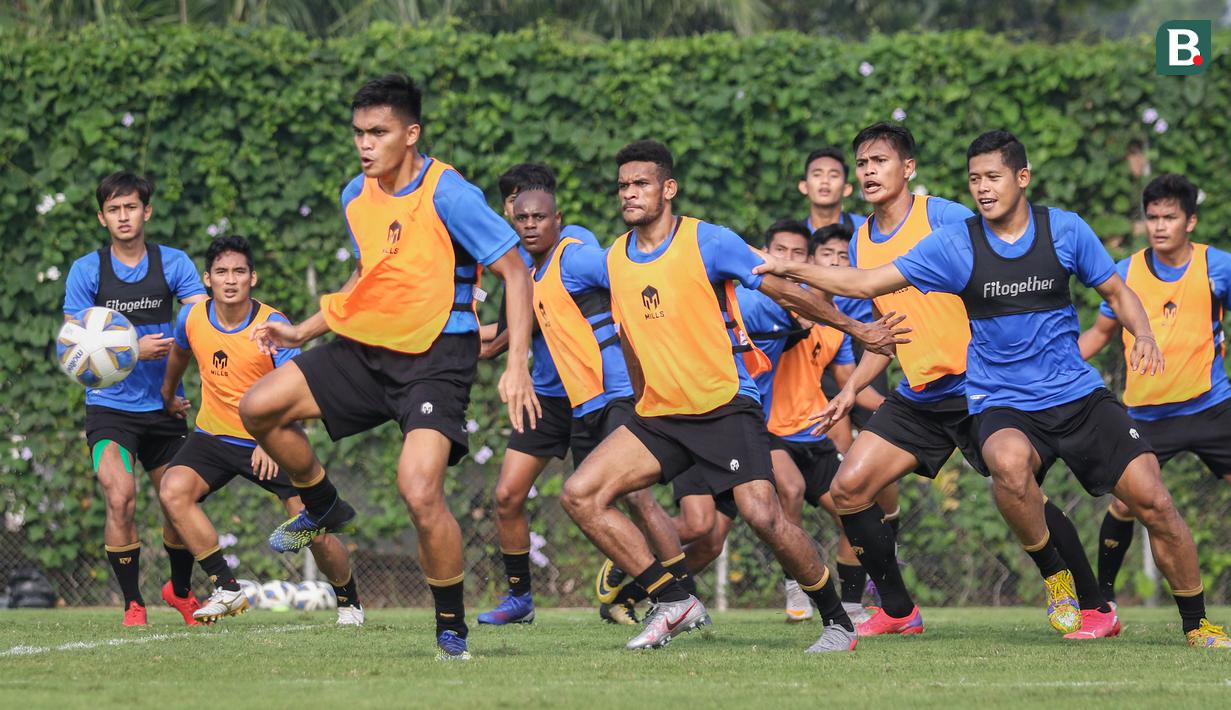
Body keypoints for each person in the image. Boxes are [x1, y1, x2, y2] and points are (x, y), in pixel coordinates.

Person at [758, 130, 1230, 648]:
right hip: (961, 395)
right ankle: (951, 600)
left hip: (1028, 387)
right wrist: (796, 280)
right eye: (975, 179)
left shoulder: (1003, 226)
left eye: (992, 177)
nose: (982, 188)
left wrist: (1141, 332)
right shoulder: (909, 242)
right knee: (929, 477)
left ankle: (1151, 614)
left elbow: (1106, 289)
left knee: (1121, 498)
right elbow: (878, 305)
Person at [559, 139, 910, 654]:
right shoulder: (615, 258)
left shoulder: (709, 242)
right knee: (580, 494)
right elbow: (631, 338)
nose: (629, 194)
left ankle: (838, 622)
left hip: (723, 406)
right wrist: (640, 401)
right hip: (659, 415)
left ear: (668, 189)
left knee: (764, 516)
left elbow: (785, 291)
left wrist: (856, 327)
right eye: (623, 186)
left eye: (641, 184)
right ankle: (673, 599)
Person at [240, 75, 538, 661]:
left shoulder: (448, 193)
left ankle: (450, 628)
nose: (365, 145)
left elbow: (517, 271)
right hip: (366, 348)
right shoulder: (357, 194)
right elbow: (370, 275)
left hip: (436, 359)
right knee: (259, 406)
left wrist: (518, 363)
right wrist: (302, 329)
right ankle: (324, 505)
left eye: (378, 133)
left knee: (418, 490)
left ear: (411, 133)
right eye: (358, 133)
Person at [477, 183, 686, 626]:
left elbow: (626, 272)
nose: (528, 222)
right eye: (519, 214)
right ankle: (525, 599)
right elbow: (509, 332)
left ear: (555, 217)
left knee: (633, 498)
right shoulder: (524, 274)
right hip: (564, 399)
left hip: (611, 394)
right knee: (527, 496)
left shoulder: (574, 251)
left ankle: (678, 595)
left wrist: (652, 336)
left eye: (536, 214)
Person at [158, 236, 362, 626]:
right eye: (221, 272)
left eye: (238, 271)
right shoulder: (192, 317)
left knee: (313, 531)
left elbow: (298, 390)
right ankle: (227, 588)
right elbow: (180, 354)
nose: (230, 280)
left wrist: (270, 442)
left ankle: (349, 601)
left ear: (253, 277)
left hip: (272, 440)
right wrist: (168, 394)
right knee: (172, 490)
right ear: (207, 278)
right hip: (212, 437)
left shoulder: (275, 325)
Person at [1078, 173, 1231, 605]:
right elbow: (1100, 333)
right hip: (1145, 416)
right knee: (1125, 504)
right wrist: (1055, 366)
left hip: (1211, 407)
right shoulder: (1125, 272)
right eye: (1152, 217)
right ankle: (1102, 600)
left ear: (1191, 222)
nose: (1160, 225)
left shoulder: (1216, 267)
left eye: (1170, 216)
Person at [63, 171, 207, 626]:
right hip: (110, 409)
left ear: (146, 211)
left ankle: (179, 591)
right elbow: (73, 350)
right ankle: (133, 603)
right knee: (119, 496)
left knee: (179, 501)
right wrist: (131, 349)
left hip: (165, 405)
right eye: (113, 209)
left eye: (131, 207)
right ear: (102, 217)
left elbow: (202, 323)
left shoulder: (174, 264)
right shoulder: (87, 271)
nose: (123, 216)